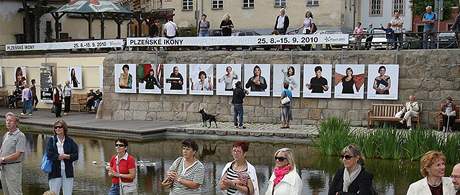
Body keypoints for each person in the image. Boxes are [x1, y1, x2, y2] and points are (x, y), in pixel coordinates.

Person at [47, 119, 79, 195]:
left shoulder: (70, 141)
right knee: (54, 193)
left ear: (64, 128)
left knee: (68, 193)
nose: (57, 129)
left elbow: (76, 155)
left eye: (60, 127)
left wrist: (67, 156)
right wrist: (58, 157)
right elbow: (49, 154)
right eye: (55, 127)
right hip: (55, 171)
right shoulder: (51, 140)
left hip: (67, 171)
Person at [0, 112, 26, 195]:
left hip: (13, 168)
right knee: (6, 192)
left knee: (15, 192)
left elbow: (18, 154)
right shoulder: (6, 134)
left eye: (10, 121)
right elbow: (3, 151)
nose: (8, 122)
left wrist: (3, 159)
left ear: (16, 123)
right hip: (3, 168)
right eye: (7, 120)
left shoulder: (20, 136)